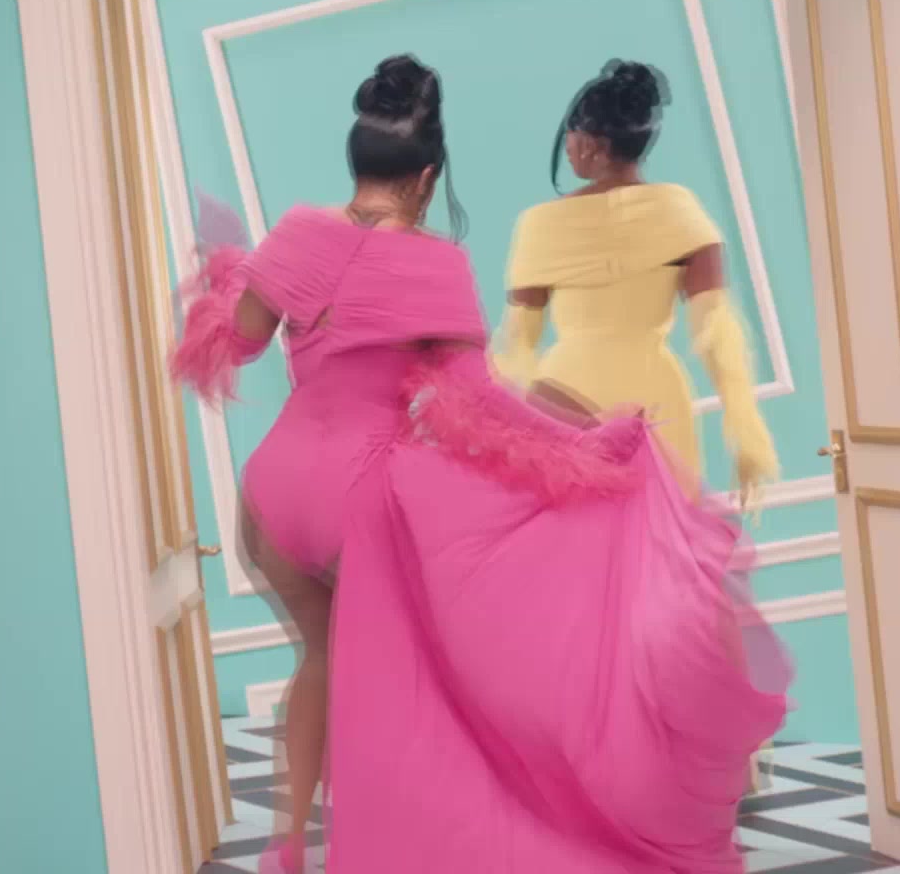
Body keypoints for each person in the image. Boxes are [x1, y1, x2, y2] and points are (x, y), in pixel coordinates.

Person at [171, 55, 789, 873]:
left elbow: (240, 343)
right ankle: (400, 837)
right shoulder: (436, 264)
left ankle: (288, 844)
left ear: (359, 158)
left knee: (318, 655)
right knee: (411, 684)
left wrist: (229, 272)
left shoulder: (295, 234)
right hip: (362, 499)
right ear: (428, 175)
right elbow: (480, 408)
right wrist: (584, 446)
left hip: (272, 492)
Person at [496, 60, 781, 506]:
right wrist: (746, 432)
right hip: (657, 395)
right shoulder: (682, 212)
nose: (566, 146)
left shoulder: (539, 225)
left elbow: (518, 346)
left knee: (577, 541)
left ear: (591, 142)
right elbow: (717, 337)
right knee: (660, 539)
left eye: (570, 134)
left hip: (563, 394)